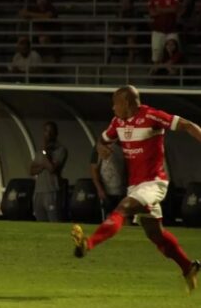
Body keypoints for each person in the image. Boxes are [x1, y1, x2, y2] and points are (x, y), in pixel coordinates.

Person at [72, 85, 201, 292]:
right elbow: (102, 140)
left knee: (123, 209)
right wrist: (100, 147)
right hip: (135, 186)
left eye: (115, 103)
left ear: (127, 102)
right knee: (156, 235)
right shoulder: (118, 123)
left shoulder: (151, 116)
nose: (113, 108)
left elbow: (186, 125)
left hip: (154, 183)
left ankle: (88, 244)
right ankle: (189, 267)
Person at [30, 121, 67, 222]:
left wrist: (45, 152)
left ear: (55, 133)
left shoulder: (60, 150)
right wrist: (43, 166)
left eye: (51, 131)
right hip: (38, 192)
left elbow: (51, 168)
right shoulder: (40, 151)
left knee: (54, 221)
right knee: (40, 222)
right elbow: (32, 170)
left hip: (51, 191)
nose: (48, 134)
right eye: (46, 131)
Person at [90, 142, 126, 219]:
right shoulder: (100, 147)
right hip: (108, 190)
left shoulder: (125, 146)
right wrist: (99, 189)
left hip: (123, 189)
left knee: (124, 215)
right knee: (110, 215)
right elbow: (93, 169)